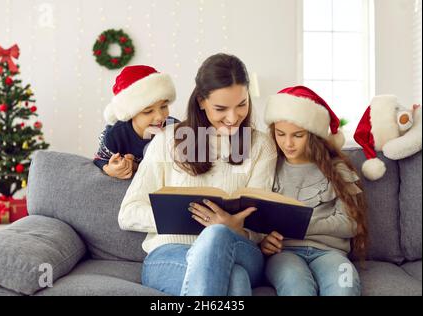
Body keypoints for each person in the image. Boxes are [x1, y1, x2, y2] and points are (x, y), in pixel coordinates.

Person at [118, 53, 277, 296]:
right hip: (171, 254)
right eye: (221, 108)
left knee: (217, 234)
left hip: (240, 250)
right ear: (202, 101)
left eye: (242, 104)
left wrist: (233, 228)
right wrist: (191, 217)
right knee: (235, 280)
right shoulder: (167, 140)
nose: (233, 118)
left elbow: (262, 223)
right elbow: (128, 213)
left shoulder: (260, 146)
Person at [262, 85, 368, 296]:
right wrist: (263, 240)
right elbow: (260, 220)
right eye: (280, 134)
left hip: (331, 253)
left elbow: (351, 224)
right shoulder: (269, 167)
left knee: (344, 287)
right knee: (296, 287)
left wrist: (296, 224)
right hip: (284, 254)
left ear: (313, 135)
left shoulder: (338, 169)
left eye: (298, 135)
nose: (288, 143)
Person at [93, 65, 178, 179]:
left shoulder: (175, 129)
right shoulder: (116, 135)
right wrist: (109, 168)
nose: (159, 117)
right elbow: (99, 159)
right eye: (148, 111)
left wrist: (135, 166)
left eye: (163, 107)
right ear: (130, 114)